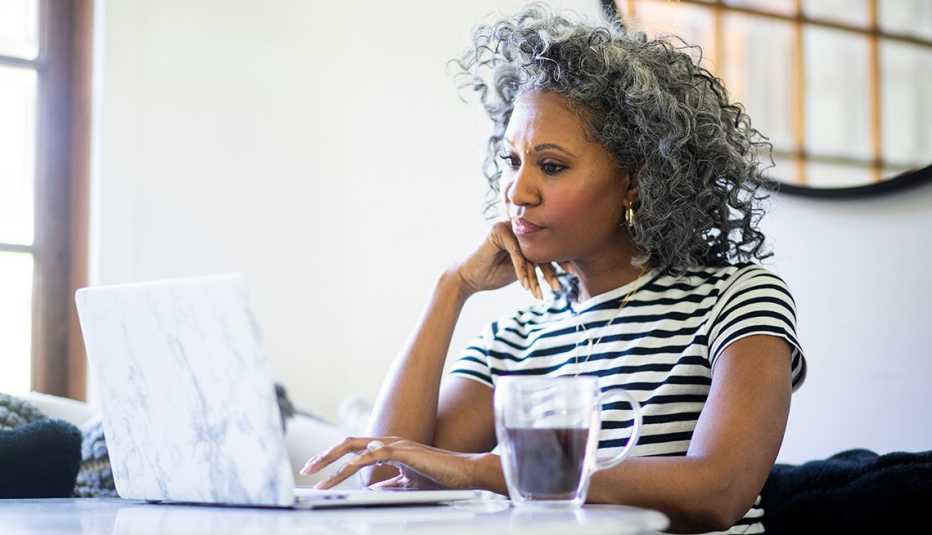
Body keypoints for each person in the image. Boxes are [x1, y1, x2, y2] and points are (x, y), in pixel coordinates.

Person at [301, 4, 807, 533]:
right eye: (512, 161)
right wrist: (452, 287)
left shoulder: (738, 298)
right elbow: (388, 477)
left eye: (551, 166)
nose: (518, 193)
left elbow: (717, 491)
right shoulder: (518, 340)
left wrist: (480, 472)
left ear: (636, 181)